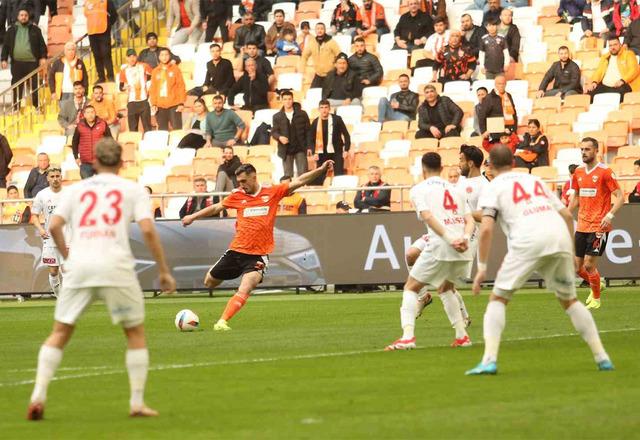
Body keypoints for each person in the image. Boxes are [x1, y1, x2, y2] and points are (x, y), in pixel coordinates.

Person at [26, 138, 176, 421]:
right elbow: (147, 230)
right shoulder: (133, 190)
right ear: (121, 163)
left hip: (80, 265)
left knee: (60, 332)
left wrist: (68, 256)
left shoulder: (75, 191)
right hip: (115, 265)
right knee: (134, 333)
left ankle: (38, 396)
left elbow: (55, 225)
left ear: (93, 162)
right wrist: (164, 269)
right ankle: (136, 402)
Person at [467, 145, 614, 376]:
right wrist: (567, 245)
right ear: (514, 164)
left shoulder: (493, 186)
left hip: (527, 240)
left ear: (490, 167)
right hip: (557, 237)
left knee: (498, 298)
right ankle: (602, 357)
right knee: (570, 301)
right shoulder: (534, 181)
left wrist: (482, 268)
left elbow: (486, 229)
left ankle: (489, 360)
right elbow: (566, 214)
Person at [181, 161, 335, 331]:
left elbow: (299, 181)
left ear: (254, 177)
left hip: (258, 255)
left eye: (243, 181)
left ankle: (222, 322)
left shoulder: (272, 192)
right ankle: (238, 272)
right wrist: (192, 217)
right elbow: (216, 207)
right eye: (239, 182)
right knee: (209, 282)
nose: (241, 185)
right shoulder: (237, 196)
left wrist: (320, 169)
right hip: (235, 251)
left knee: (247, 286)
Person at [385, 152, 475, 351]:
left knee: (411, 287)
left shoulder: (419, 189)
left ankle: (407, 337)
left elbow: (427, 216)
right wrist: (465, 239)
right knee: (445, 288)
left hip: (441, 246)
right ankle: (462, 336)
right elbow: (470, 220)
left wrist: (450, 239)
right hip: (463, 247)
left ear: (423, 169)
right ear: (442, 168)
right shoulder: (456, 189)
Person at [569, 137, 624, 310]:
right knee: (577, 267)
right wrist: (565, 213)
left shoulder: (605, 172)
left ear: (596, 151)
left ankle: (596, 298)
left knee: (589, 264)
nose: (584, 153)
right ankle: (596, 283)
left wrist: (609, 215)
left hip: (599, 226)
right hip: (582, 225)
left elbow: (620, 197)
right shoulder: (577, 172)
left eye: (587, 149)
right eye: (582, 150)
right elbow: (576, 198)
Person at [30, 167, 66, 297]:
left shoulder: (69, 193)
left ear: (61, 177)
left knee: (67, 270)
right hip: (50, 239)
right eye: (52, 177)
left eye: (57, 176)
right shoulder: (42, 195)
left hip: (68, 238)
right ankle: (59, 297)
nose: (55, 179)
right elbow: (34, 215)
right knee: (53, 271)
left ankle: (67, 300)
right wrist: (40, 229)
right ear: (47, 178)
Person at [0, 8, 47, 109]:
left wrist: (43, 57)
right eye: (21, 15)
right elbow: (6, 46)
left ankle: (36, 107)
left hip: (32, 63)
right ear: (18, 17)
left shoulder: (36, 30)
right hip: (17, 63)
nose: (23, 17)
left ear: (28, 17)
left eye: (25, 15)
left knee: (34, 86)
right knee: (17, 87)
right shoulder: (11, 30)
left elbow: (42, 45)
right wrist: (3, 59)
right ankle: (16, 108)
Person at [586, 36, 640, 102]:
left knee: (619, 93)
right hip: (605, 86)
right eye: (610, 45)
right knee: (590, 92)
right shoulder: (605, 57)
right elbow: (599, 71)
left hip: (623, 85)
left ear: (620, 44)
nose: (613, 47)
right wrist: (594, 82)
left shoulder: (628, 54)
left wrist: (622, 81)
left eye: (615, 44)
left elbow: (634, 70)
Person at [309, 100, 351, 184]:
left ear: (329, 109)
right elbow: (310, 139)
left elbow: (346, 135)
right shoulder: (315, 122)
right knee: (320, 176)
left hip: (337, 152)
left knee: (339, 175)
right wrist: (314, 152)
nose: (324, 110)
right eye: (322, 108)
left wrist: (346, 150)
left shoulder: (337, 119)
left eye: (326, 107)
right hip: (321, 153)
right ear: (319, 109)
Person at [272, 90, 311, 178]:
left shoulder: (302, 114)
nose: (287, 101)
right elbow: (274, 132)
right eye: (285, 99)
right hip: (286, 150)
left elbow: (308, 131)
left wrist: (309, 147)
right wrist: (280, 137)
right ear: (282, 101)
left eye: (289, 99)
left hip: (300, 147)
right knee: (288, 176)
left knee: (303, 175)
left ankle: (303, 191)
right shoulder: (277, 116)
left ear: (292, 100)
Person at [149, 48, 187, 130]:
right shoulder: (155, 71)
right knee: (162, 131)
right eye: (162, 55)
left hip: (174, 104)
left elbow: (181, 86)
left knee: (177, 129)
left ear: (170, 56)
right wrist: (153, 104)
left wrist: (181, 103)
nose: (164, 57)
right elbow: (153, 89)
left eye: (166, 55)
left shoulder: (175, 69)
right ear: (159, 57)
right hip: (160, 105)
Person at [72, 105, 112, 179]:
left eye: (92, 112)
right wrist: (76, 157)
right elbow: (75, 142)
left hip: (100, 161)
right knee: (87, 187)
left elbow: (110, 141)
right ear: (84, 115)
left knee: (102, 185)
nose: (90, 115)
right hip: (85, 163)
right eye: (88, 112)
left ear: (95, 113)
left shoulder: (103, 124)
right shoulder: (80, 126)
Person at [119, 49, 153, 133]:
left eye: (134, 56)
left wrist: (147, 84)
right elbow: (121, 87)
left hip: (144, 101)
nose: (132, 59)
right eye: (129, 57)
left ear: (137, 56)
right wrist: (124, 87)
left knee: (147, 127)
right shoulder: (124, 70)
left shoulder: (144, 66)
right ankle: (134, 145)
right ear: (126, 58)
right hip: (132, 102)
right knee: (133, 129)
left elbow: (154, 76)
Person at [84, 0, 118, 83]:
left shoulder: (106, 1)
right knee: (96, 55)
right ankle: (101, 77)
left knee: (106, 54)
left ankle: (110, 76)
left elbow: (114, 15)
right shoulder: (87, 1)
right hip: (92, 32)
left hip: (104, 31)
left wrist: (108, 25)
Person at [300, 23, 341, 89]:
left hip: (330, 74)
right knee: (313, 94)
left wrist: (336, 68)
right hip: (318, 74)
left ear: (325, 30)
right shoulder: (312, 43)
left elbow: (339, 55)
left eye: (321, 29)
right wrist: (302, 70)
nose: (320, 30)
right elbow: (304, 56)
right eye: (318, 29)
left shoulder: (331, 42)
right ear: (315, 31)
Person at [478, 75, 517, 140]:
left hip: (508, 131)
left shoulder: (508, 95)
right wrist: (484, 131)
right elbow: (482, 116)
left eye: (503, 84)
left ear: (506, 84)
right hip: (495, 133)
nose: (501, 85)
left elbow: (514, 114)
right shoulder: (488, 98)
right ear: (495, 84)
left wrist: (514, 129)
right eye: (499, 84)